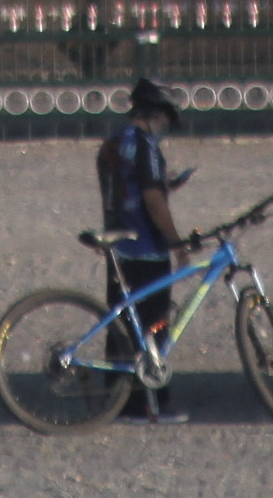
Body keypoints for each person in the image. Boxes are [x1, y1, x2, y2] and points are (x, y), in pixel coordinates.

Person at [94, 75, 193, 423]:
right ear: (156, 114)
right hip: (146, 249)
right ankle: (148, 404)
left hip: (117, 248)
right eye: (166, 119)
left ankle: (117, 400)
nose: (165, 127)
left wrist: (164, 185)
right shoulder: (146, 146)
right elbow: (151, 199)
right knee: (153, 327)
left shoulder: (112, 143)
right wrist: (176, 242)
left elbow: (126, 190)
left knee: (121, 327)